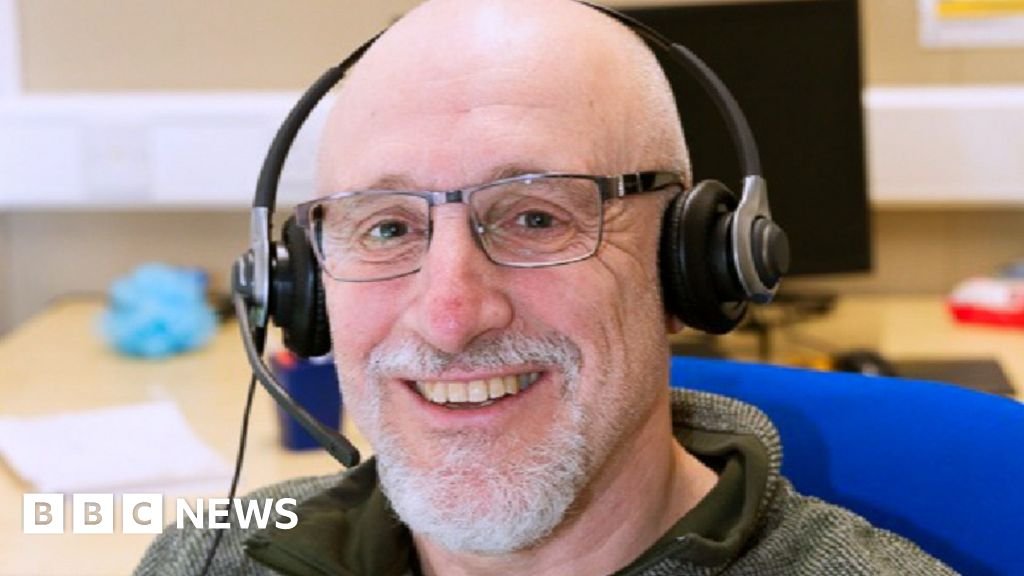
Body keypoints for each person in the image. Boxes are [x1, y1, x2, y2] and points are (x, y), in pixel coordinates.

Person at [136, 0, 955, 574]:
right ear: (302, 288)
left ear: (690, 264)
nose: (450, 316)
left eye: (534, 218)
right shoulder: (207, 559)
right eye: (387, 228)